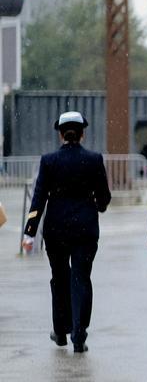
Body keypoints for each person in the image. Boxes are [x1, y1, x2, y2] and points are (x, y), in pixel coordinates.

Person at [22, 112, 111, 353]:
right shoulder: (94, 160)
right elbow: (104, 198)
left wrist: (29, 232)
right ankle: (79, 333)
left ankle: (61, 331)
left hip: (56, 228)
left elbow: (39, 197)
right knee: (81, 278)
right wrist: (96, 205)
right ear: (82, 133)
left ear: (60, 134)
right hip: (85, 228)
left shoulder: (49, 161)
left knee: (59, 278)